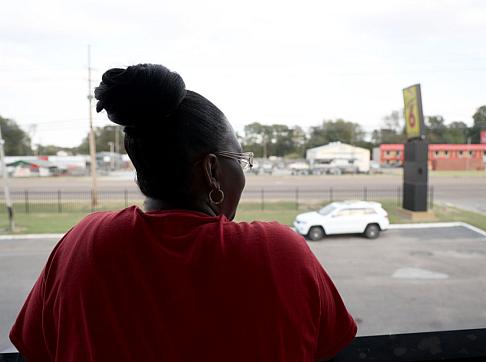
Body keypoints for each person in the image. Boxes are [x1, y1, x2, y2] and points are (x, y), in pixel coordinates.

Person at [10, 64, 357, 361]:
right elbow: (328, 345)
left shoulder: (83, 242)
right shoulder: (278, 250)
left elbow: (35, 348)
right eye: (239, 160)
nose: (243, 172)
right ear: (211, 170)